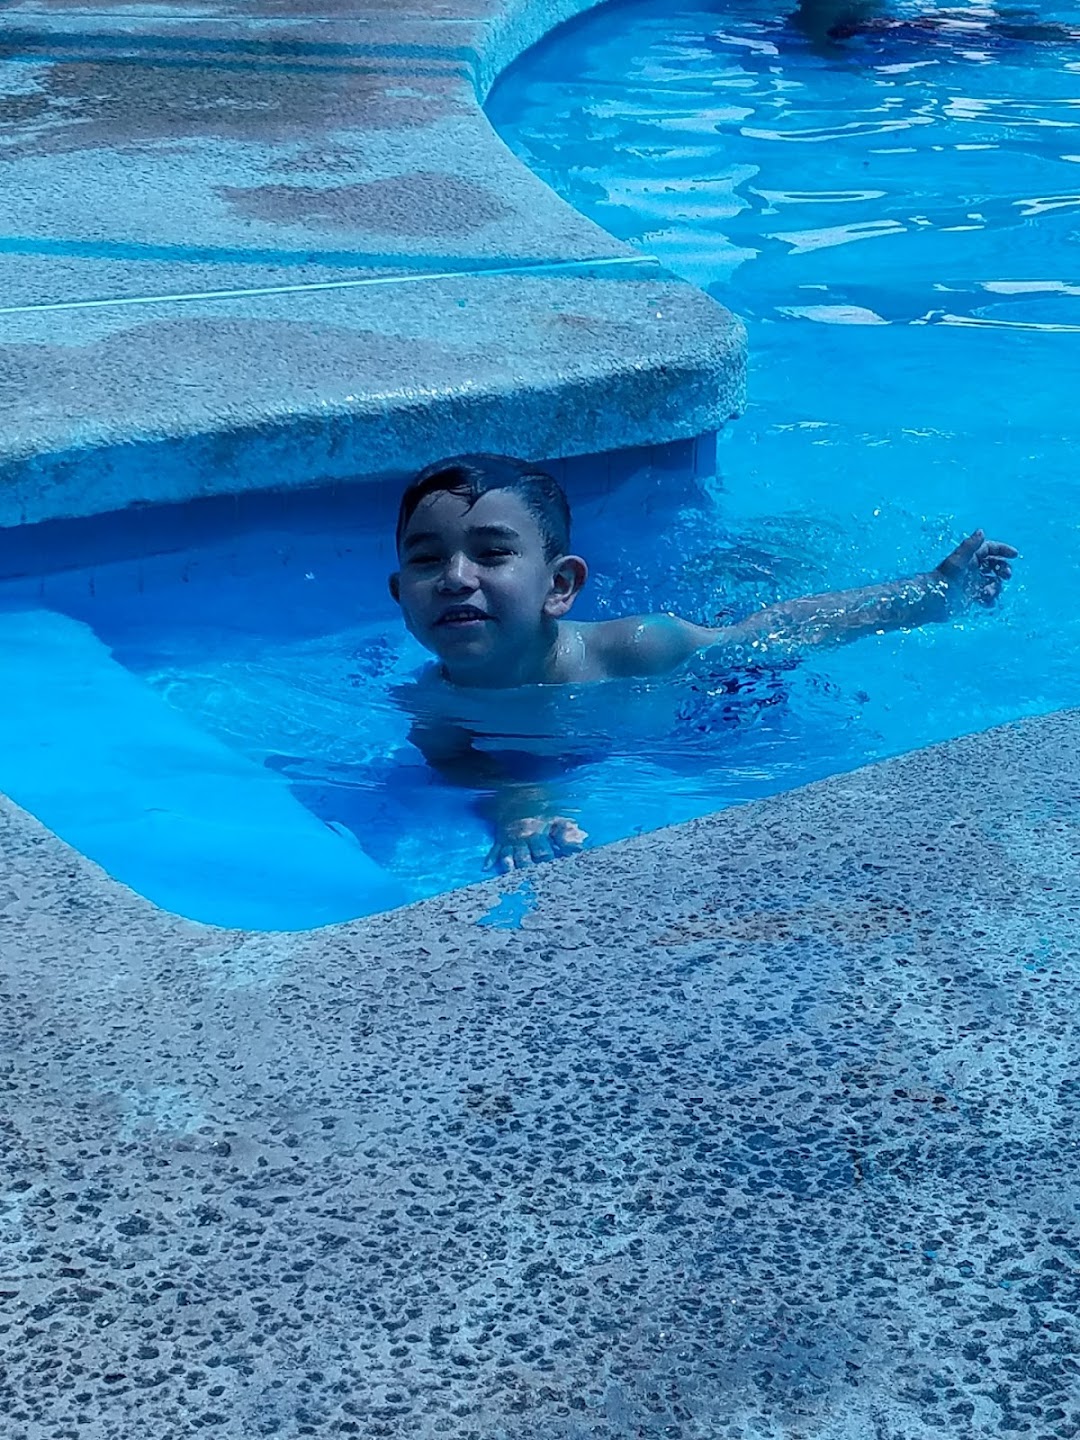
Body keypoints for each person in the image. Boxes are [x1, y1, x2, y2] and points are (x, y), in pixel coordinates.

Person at [389, 454, 1016, 872]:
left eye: (492, 554)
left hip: (722, 702)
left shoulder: (637, 648)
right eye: (426, 559)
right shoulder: (433, 703)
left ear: (560, 586)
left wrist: (927, 596)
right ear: (399, 597)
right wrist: (515, 799)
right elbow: (456, 761)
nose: (455, 577)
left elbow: (774, 633)